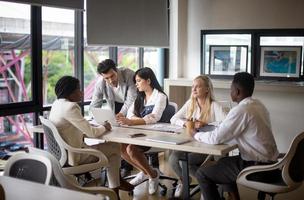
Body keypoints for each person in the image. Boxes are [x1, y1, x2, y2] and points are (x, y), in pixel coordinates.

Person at [191, 72, 279, 200]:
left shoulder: (241, 110)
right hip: (271, 164)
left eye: (231, 89)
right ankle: (234, 197)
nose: (230, 91)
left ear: (237, 91)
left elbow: (215, 138)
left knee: (202, 173)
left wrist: (196, 134)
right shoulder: (258, 105)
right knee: (223, 162)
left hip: (256, 168)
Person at [49, 76, 134, 199]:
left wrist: (88, 126)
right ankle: (115, 188)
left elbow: (72, 127)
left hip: (62, 155)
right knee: (115, 147)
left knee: (112, 147)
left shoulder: (57, 104)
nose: (81, 92)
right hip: (75, 156)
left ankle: (116, 183)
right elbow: (92, 133)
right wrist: (105, 126)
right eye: (78, 89)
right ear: (70, 93)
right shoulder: (71, 107)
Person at [169, 75, 227, 198]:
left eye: (198, 86)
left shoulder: (214, 105)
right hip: (191, 142)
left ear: (207, 89)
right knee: (173, 158)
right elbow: (173, 119)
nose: (194, 89)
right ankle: (186, 181)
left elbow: (226, 124)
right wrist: (185, 123)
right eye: (193, 86)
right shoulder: (190, 103)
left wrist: (208, 124)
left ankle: (206, 184)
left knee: (186, 162)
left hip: (207, 145)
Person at [116, 67, 168, 195]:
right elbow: (129, 114)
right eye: (136, 81)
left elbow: (154, 117)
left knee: (131, 149)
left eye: (138, 81)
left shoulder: (160, 96)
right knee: (120, 146)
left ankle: (151, 174)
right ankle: (148, 173)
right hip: (139, 133)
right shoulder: (139, 97)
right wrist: (134, 120)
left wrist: (133, 121)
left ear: (148, 81)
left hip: (156, 136)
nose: (136, 84)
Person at [90, 59, 137, 176]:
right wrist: (93, 117)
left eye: (112, 76)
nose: (110, 80)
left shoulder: (129, 74)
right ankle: (125, 165)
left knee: (129, 137)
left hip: (134, 105)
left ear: (116, 70)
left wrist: (122, 113)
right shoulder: (101, 83)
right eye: (106, 78)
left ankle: (139, 165)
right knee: (118, 137)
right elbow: (95, 103)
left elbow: (131, 99)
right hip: (116, 105)